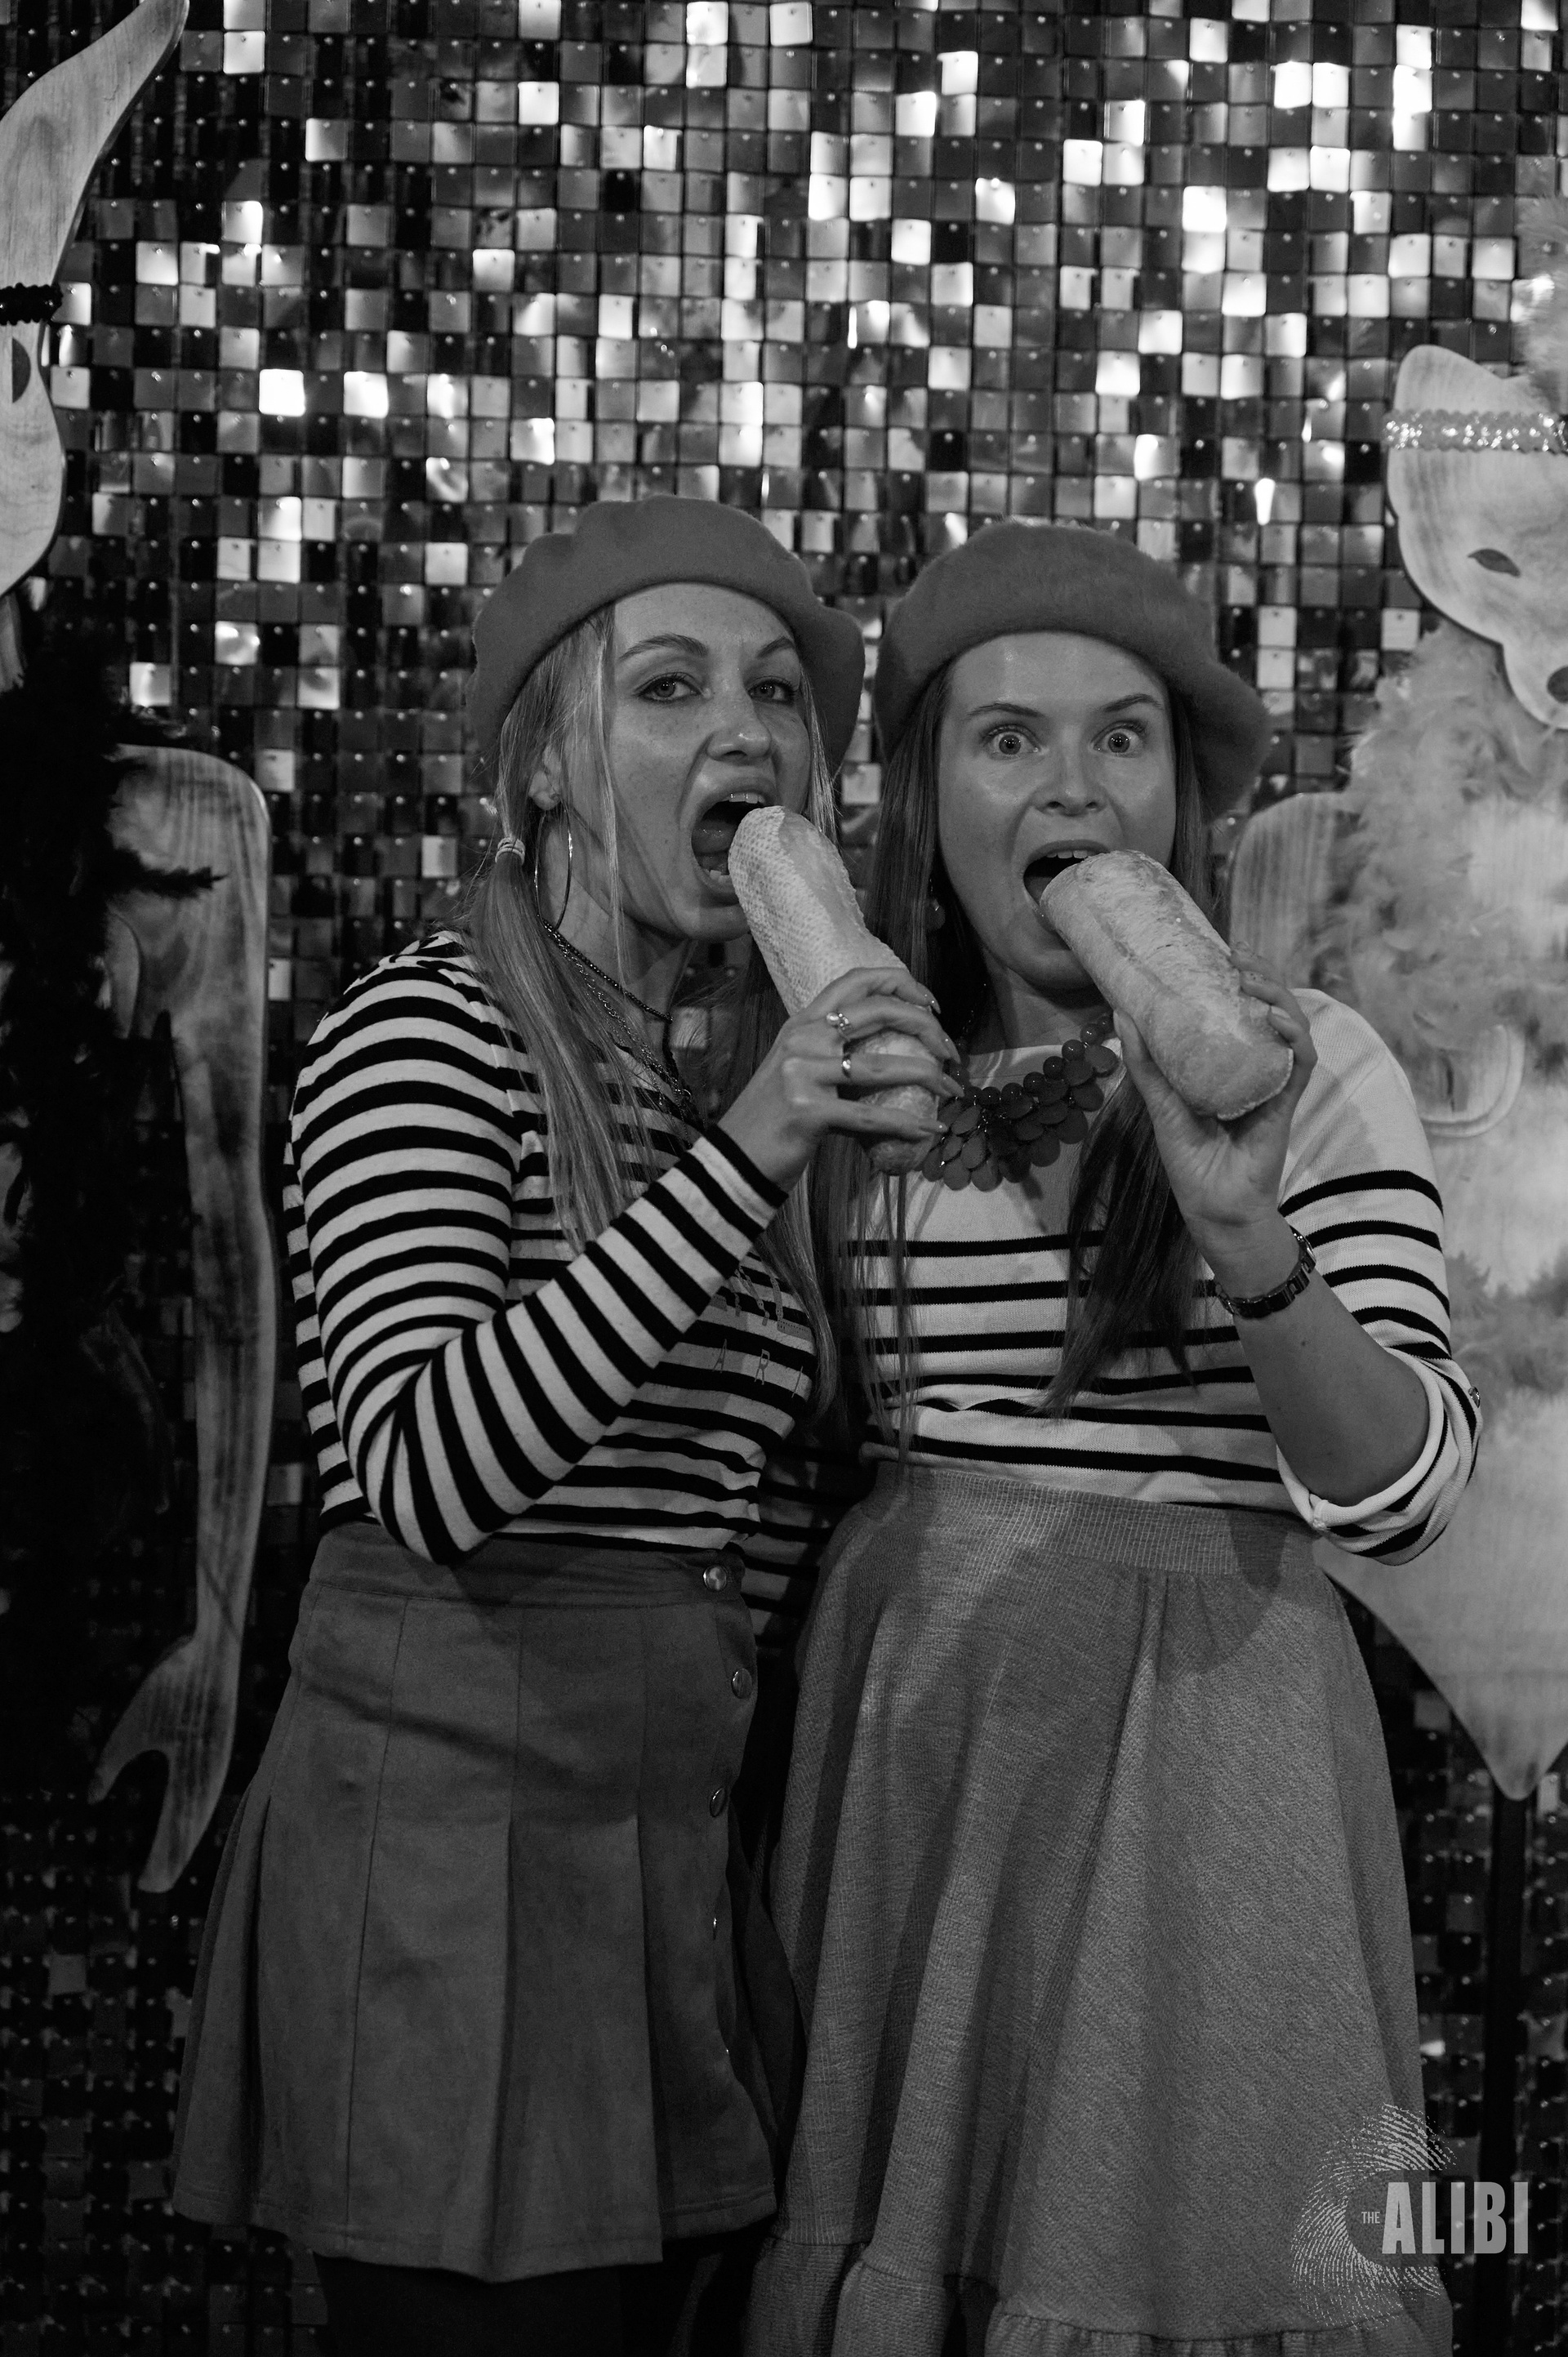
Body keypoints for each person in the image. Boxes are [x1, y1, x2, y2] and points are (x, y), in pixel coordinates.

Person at [169, 497, 956, 2357]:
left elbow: (732, 1505)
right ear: (544, 769)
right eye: (669, 688)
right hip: (454, 1871)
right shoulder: (426, 1033)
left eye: (776, 692)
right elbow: (432, 1471)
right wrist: (758, 1150)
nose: (745, 733)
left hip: (664, 1857)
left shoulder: (707, 1077)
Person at [746, 524, 1480, 2357]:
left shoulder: (1307, 1064)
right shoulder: (844, 1092)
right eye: (1009, 739)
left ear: (1179, 799)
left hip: (1210, 1769)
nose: (1072, 785)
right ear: (926, 799)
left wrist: (1246, 1236)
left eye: (1122, 738)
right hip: (912, 1769)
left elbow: (1407, 1492)